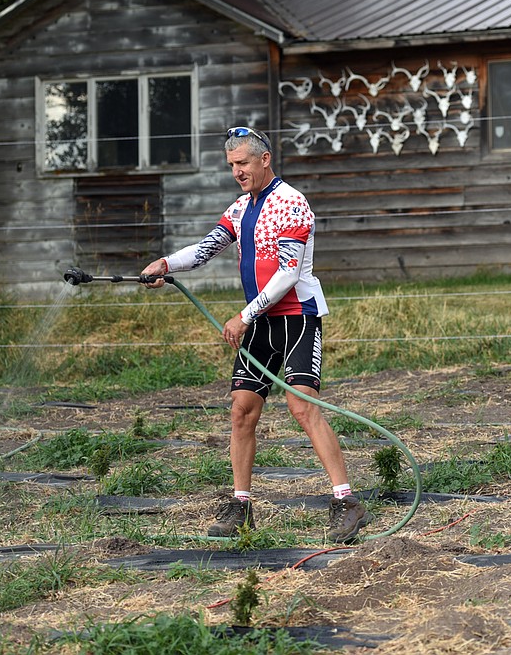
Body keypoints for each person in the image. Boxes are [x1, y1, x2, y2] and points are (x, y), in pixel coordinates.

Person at [140, 125, 368, 543]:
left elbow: (288, 273)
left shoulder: (292, 204)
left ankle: (346, 501)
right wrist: (166, 264)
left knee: (302, 408)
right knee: (242, 410)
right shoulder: (241, 208)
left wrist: (244, 315)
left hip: (296, 315)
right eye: (231, 166)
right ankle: (241, 505)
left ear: (265, 159)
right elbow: (207, 247)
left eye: (242, 163)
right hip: (260, 322)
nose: (237, 172)